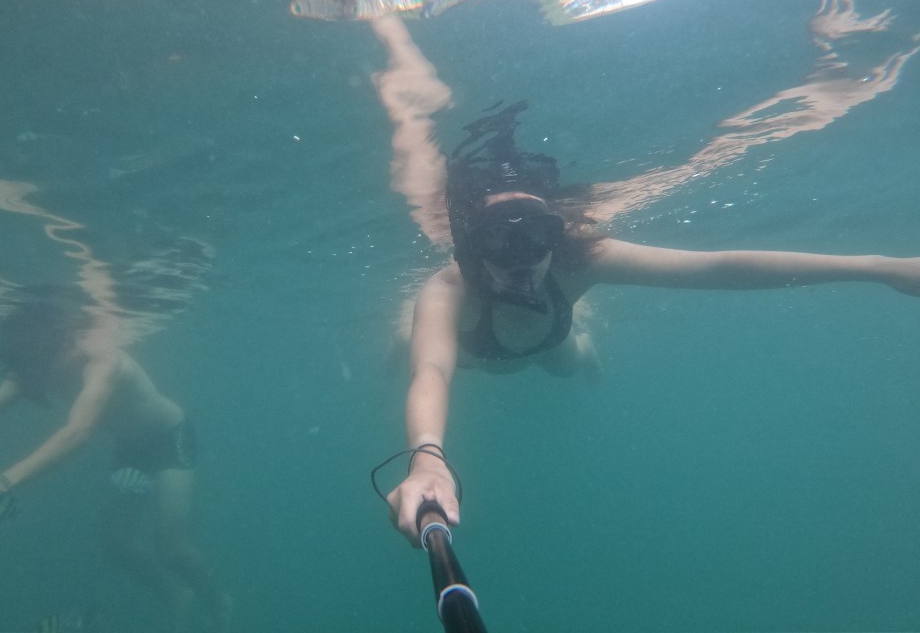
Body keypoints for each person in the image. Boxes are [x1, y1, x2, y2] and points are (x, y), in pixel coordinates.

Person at [383, 101, 920, 545]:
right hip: (477, 355)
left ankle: (581, 337)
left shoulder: (581, 259)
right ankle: (408, 335)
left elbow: (717, 268)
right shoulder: (447, 290)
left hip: (550, 339)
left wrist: (882, 268)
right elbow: (432, 372)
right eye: (500, 240)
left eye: (538, 235)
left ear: (556, 233)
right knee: (408, 344)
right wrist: (428, 458)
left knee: (569, 364)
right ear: (471, 248)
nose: (524, 257)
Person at [0, 290, 231, 633]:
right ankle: (175, 595)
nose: (43, 381)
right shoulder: (39, 366)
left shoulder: (103, 362)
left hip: (169, 438)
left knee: (173, 548)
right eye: (35, 372)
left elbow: (78, 432)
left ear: (68, 344)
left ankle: (217, 600)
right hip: (130, 446)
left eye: (45, 370)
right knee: (117, 545)